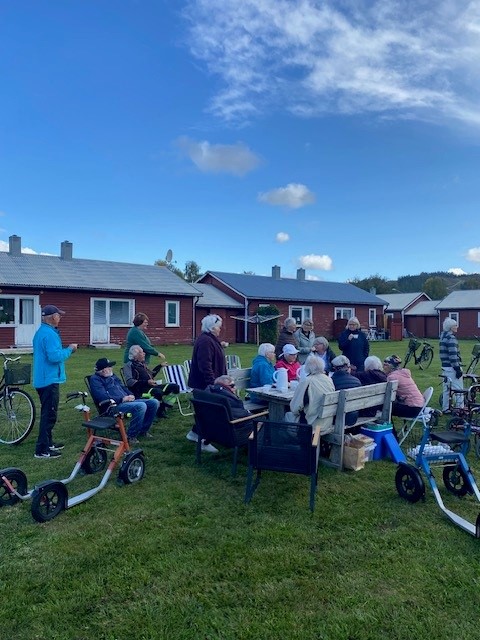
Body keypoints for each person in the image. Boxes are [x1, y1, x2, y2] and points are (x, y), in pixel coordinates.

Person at [33, 304, 78, 459]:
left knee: (49, 412)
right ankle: (42, 450)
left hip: (43, 378)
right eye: (59, 315)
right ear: (52, 317)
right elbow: (54, 357)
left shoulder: (42, 332)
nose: (60, 318)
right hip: (48, 380)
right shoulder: (49, 334)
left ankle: (48, 442)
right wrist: (70, 349)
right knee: (49, 415)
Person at [89, 357, 159, 443]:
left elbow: (123, 387)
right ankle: (131, 436)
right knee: (141, 406)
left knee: (154, 402)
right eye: (109, 367)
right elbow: (102, 396)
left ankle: (143, 430)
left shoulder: (112, 376)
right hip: (112, 406)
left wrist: (131, 395)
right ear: (103, 370)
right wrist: (122, 399)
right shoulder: (95, 379)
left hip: (126, 401)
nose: (111, 368)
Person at [186, 314, 227, 451]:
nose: (220, 329)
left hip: (208, 383)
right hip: (204, 384)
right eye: (219, 327)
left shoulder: (209, 339)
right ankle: (202, 439)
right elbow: (205, 364)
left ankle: (196, 433)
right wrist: (212, 383)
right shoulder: (205, 341)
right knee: (209, 412)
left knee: (207, 411)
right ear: (212, 327)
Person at [123, 345, 180, 418]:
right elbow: (130, 382)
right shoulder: (129, 366)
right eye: (141, 352)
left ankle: (164, 407)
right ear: (135, 355)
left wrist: (160, 366)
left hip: (151, 386)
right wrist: (146, 382)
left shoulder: (142, 364)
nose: (144, 354)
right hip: (140, 390)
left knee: (174, 387)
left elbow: (151, 375)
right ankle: (158, 411)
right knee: (158, 392)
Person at [286, 355, 336, 433]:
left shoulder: (307, 381)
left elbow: (295, 408)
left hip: (312, 424)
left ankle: (292, 443)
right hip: (327, 421)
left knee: (287, 417)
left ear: (307, 367)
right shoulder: (329, 380)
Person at [439, 318, 464, 412]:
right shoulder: (451, 338)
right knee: (458, 389)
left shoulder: (443, 337)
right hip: (452, 367)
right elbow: (453, 355)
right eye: (455, 325)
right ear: (450, 327)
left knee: (446, 389)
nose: (457, 327)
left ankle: (445, 408)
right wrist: (457, 368)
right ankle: (460, 409)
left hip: (445, 367)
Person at [330, 355, 361, 425]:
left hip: (336, 419)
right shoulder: (357, 381)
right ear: (348, 368)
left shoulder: (331, 382)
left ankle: (316, 435)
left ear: (334, 368)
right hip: (353, 418)